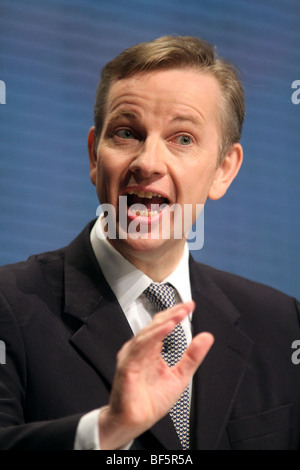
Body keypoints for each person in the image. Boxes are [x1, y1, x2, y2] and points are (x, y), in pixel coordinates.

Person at [0, 35, 299, 451]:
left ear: (223, 170)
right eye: (126, 133)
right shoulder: (8, 307)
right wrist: (106, 430)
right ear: (93, 155)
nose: (147, 163)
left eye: (183, 139)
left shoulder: (283, 325)